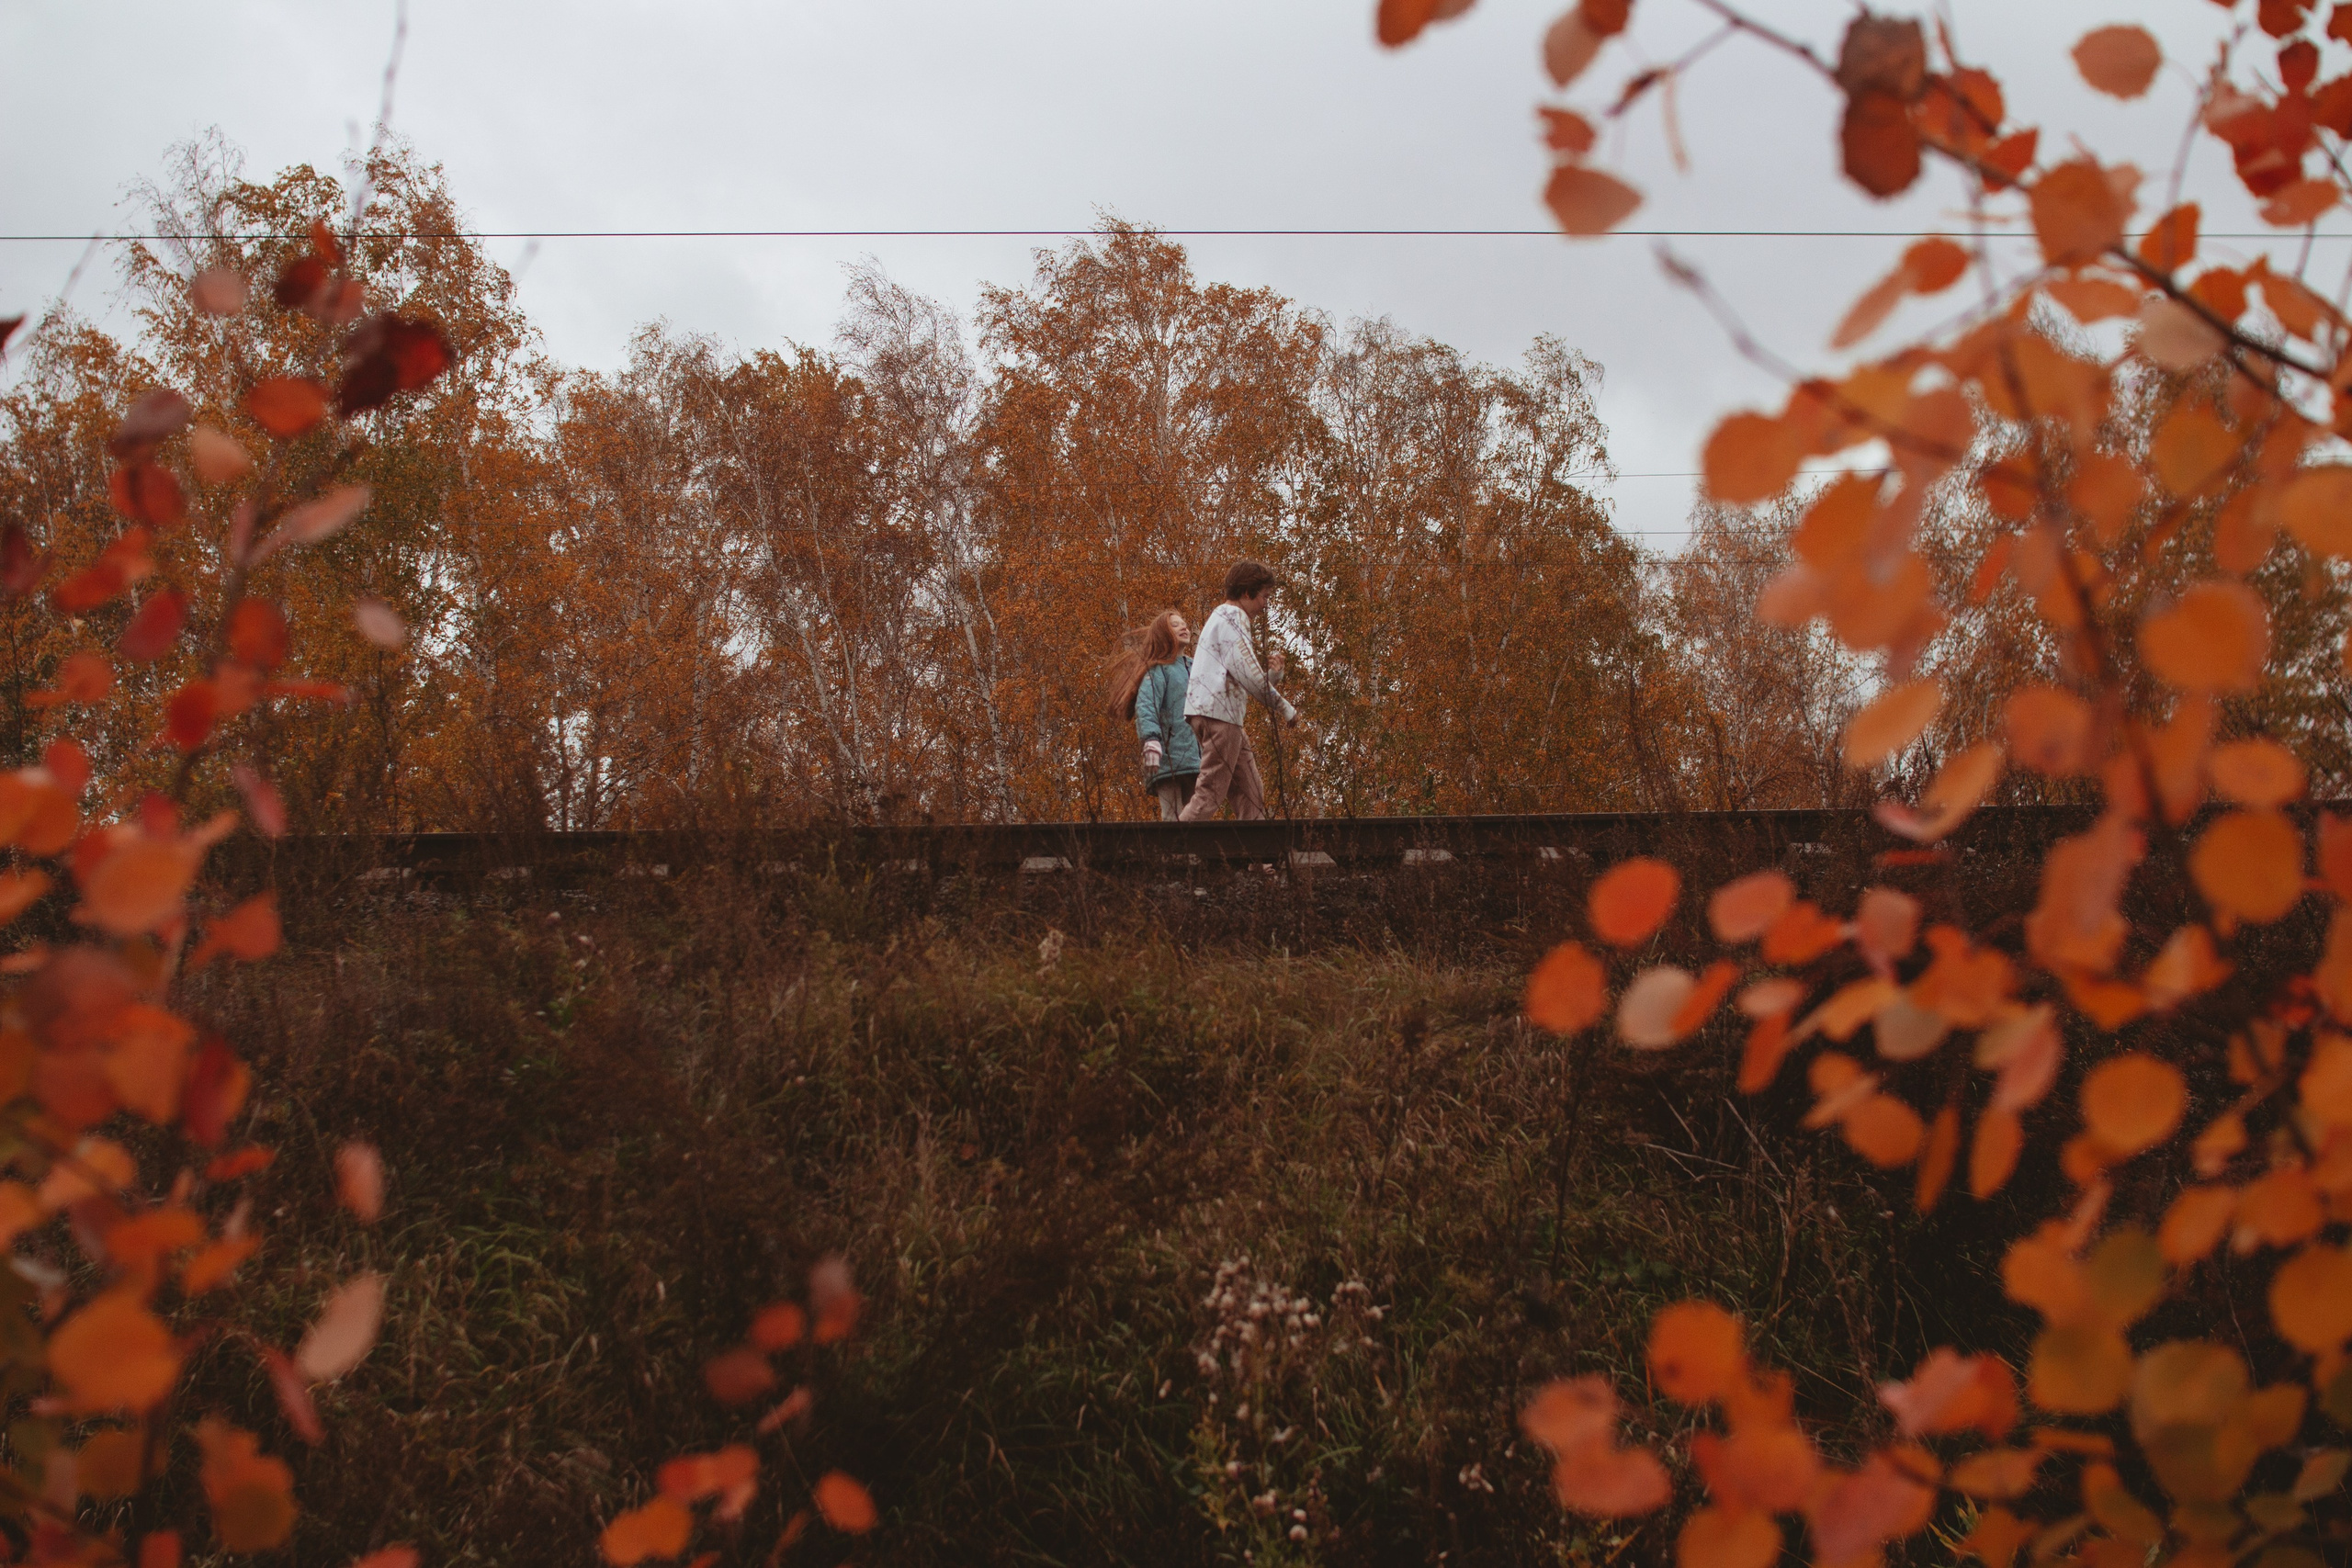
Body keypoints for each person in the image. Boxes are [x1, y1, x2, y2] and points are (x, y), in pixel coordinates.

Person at [1180, 560, 1298, 823]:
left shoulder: (1220, 618)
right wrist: (1286, 709)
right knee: (1209, 794)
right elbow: (1250, 676)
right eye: (1264, 596)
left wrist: (1274, 677)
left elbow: (1240, 675)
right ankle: (1169, 846)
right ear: (1247, 592)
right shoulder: (1233, 618)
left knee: (1250, 794)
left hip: (1217, 714)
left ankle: (1256, 848)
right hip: (1220, 717)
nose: (1265, 605)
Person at [1106, 609, 1201, 820]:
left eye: (1184, 624)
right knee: (1172, 815)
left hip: (1196, 759)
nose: (1183, 627)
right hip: (1167, 757)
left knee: (1196, 817)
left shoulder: (1196, 667)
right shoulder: (1159, 670)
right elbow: (1146, 706)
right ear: (1163, 633)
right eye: (1175, 625)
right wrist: (1151, 741)